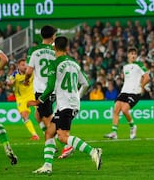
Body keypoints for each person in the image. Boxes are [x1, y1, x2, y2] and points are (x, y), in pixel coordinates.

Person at [28, 36, 102, 174]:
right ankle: (47, 166)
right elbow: (86, 83)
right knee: (49, 133)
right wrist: (77, 96)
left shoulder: (54, 64)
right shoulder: (75, 64)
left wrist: (38, 101)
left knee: (62, 136)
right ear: (67, 48)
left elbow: (50, 87)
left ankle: (93, 151)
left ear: (54, 47)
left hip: (66, 105)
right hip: (71, 103)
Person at [24, 25, 73, 159]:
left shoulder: (33, 50)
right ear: (53, 36)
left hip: (42, 90)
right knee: (38, 115)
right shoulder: (55, 50)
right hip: (53, 88)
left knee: (48, 119)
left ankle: (65, 142)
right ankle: (55, 140)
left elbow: (28, 71)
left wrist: (26, 80)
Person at [104, 47, 150, 140]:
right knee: (116, 109)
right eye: (131, 53)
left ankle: (133, 127)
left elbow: (147, 77)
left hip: (134, 92)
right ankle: (114, 132)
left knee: (125, 110)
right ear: (128, 55)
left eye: (135, 54)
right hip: (124, 91)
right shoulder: (125, 67)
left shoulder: (139, 65)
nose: (133, 55)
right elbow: (126, 79)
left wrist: (141, 86)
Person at [7, 58, 40, 140]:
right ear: (18, 66)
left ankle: (48, 131)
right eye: (22, 65)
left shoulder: (31, 72)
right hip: (21, 98)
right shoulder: (15, 75)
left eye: (25, 64)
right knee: (24, 116)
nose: (25, 66)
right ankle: (34, 135)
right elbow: (9, 83)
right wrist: (10, 84)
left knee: (41, 113)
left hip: (32, 95)